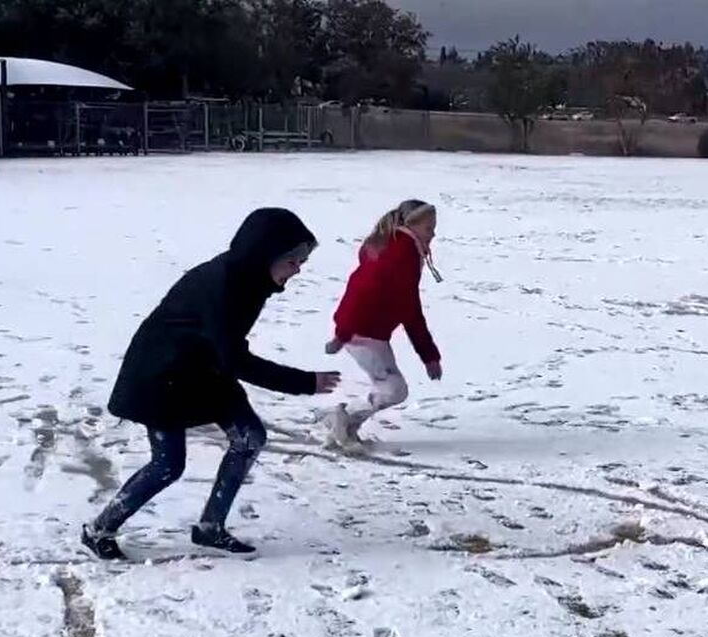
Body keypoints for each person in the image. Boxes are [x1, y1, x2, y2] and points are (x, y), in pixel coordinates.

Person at [83, 208, 341, 560]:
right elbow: (236, 358)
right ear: (266, 255)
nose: (299, 269)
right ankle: (99, 529)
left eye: (302, 260)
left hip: (204, 369)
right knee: (168, 465)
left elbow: (228, 352)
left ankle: (210, 528)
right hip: (161, 376)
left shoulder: (251, 280)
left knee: (250, 437)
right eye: (294, 260)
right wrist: (304, 382)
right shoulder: (222, 286)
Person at [324, 200, 443, 446]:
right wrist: (343, 334)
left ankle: (345, 427)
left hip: (371, 334)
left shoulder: (403, 252)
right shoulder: (399, 255)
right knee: (393, 389)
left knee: (391, 388)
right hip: (360, 334)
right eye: (429, 228)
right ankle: (342, 418)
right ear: (410, 226)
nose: (433, 234)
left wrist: (429, 355)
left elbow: (409, 309)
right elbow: (361, 290)